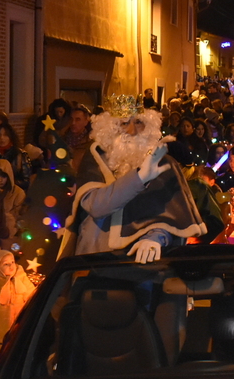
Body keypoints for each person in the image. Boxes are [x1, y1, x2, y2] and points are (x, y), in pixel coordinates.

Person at [62, 101, 205, 262]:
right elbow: (96, 206)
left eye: (138, 122)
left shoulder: (161, 162)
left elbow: (168, 215)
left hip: (142, 267)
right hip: (96, 261)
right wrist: (139, 178)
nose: (131, 130)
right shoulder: (96, 157)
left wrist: (155, 238)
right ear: (111, 128)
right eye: (124, 123)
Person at [64, 104, 93, 172]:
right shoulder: (62, 139)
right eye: (71, 119)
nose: (73, 123)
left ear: (86, 121)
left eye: (78, 120)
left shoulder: (90, 143)